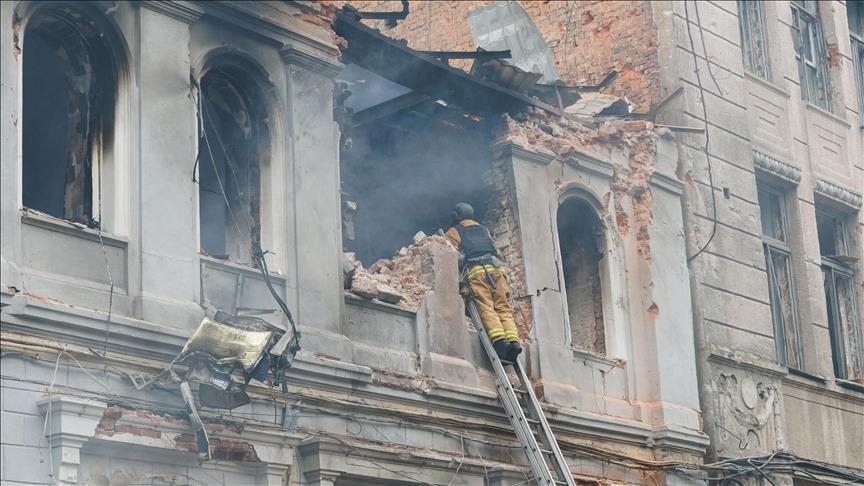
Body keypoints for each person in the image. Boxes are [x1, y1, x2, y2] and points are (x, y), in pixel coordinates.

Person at [445, 202, 522, 363]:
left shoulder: (454, 231)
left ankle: (500, 342)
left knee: (486, 307)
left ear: (456, 216)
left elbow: (448, 252)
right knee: (502, 307)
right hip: (498, 271)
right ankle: (514, 342)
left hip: (477, 272)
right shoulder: (484, 229)